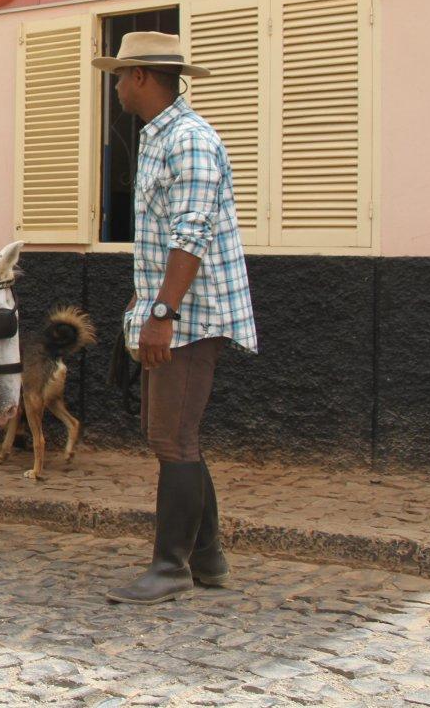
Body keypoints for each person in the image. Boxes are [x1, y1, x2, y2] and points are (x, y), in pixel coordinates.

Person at [91, 32, 257, 605]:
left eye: (119, 75)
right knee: (173, 435)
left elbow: (192, 233)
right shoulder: (162, 138)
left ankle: (171, 568)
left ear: (140, 76)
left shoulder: (187, 139)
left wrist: (162, 313)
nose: (114, 86)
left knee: (172, 438)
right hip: (171, 309)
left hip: (190, 314)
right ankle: (208, 560)